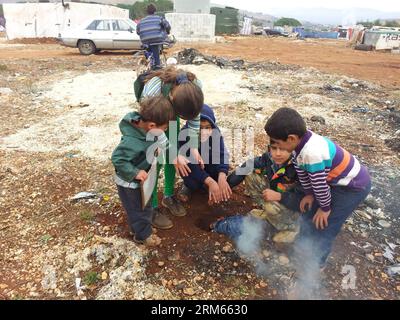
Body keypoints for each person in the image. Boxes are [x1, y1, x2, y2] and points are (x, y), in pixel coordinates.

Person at [264, 107, 371, 268]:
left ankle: (316, 263)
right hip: (334, 181)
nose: (276, 147)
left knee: (326, 224)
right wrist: (308, 195)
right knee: (310, 213)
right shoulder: (299, 145)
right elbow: (303, 173)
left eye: (278, 143)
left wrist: (325, 208)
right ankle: (303, 246)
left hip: (353, 186)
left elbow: (319, 185)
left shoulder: (311, 153)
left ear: (291, 138)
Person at [138, 66, 204, 227]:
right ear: (172, 99)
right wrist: (171, 153)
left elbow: (195, 118)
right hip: (153, 120)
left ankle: (168, 195)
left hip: (171, 118)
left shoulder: (195, 86)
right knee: (155, 161)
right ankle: (151, 207)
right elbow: (152, 129)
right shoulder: (153, 90)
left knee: (173, 156)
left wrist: (194, 148)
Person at [111, 96, 175, 246]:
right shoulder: (132, 141)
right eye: (165, 128)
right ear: (152, 126)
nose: (165, 131)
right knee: (141, 209)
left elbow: (159, 139)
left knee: (137, 208)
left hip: (138, 180)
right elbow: (118, 158)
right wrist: (135, 172)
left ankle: (137, 229)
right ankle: (143, 236)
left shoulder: (146, 128)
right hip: (130, 183)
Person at [177, 104, 231, 204]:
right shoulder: (185, 135)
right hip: (194, 169)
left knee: (224, 175)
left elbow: (222, 154)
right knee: (191, 179)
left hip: (209, 166)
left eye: (208, 128)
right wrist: (209, 181)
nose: (204, 132)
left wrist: (222, 176)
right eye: (199, 128)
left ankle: (213, 185)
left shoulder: (215, 132)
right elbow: (191, 165)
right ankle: (188, 186)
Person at [136, 3, 171, 70]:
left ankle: (149, 60)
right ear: (155, 10)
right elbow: (167, 26)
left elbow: (138, 32)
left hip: (145, 40)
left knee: (149, 47)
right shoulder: (159, 18)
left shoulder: (141, 21)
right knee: (156, 44)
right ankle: (157, 65)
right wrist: (167, 31)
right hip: (157, 39)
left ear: (147, 11)